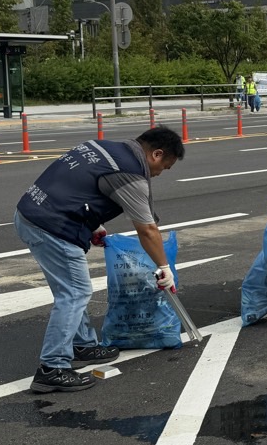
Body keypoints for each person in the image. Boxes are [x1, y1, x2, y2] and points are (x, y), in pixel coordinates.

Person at [15, 127, 185, 393]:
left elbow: (76, 186)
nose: (160, 173)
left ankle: (82, 345)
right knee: (75, 292)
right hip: (51, 227)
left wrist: (93, 224)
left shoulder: (100, 147)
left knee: (71, 289)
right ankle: (52, 368)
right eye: (165, 166)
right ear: (156, 154)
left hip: (33, 213)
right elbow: (147, 229)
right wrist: (164, 268)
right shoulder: (130, 173)